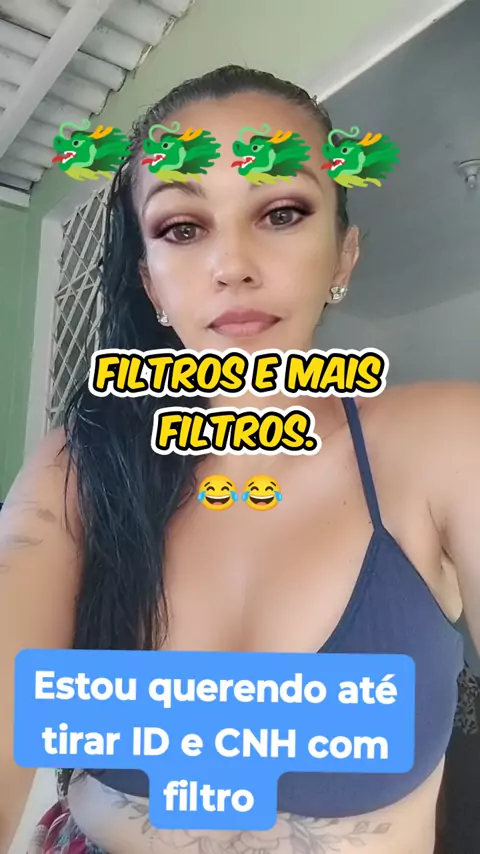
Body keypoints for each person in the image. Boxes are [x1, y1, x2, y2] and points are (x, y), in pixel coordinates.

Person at [0, 64, 478, 854]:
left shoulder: (449, 440)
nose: (233, 264)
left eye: (281, 212)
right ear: (151, 285)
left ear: (343, 256)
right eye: (182, 228)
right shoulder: (76, 468)